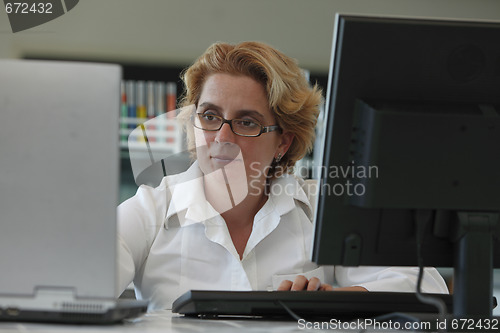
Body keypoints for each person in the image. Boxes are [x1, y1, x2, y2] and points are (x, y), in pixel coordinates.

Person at [117, 41, 448, 311]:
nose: (221, 139)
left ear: (283, 142)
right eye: (210, 116)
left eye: (247, 122)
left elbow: (426, 288)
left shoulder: (323, 208)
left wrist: (338, 300)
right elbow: (82, 277)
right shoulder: (153, 208)